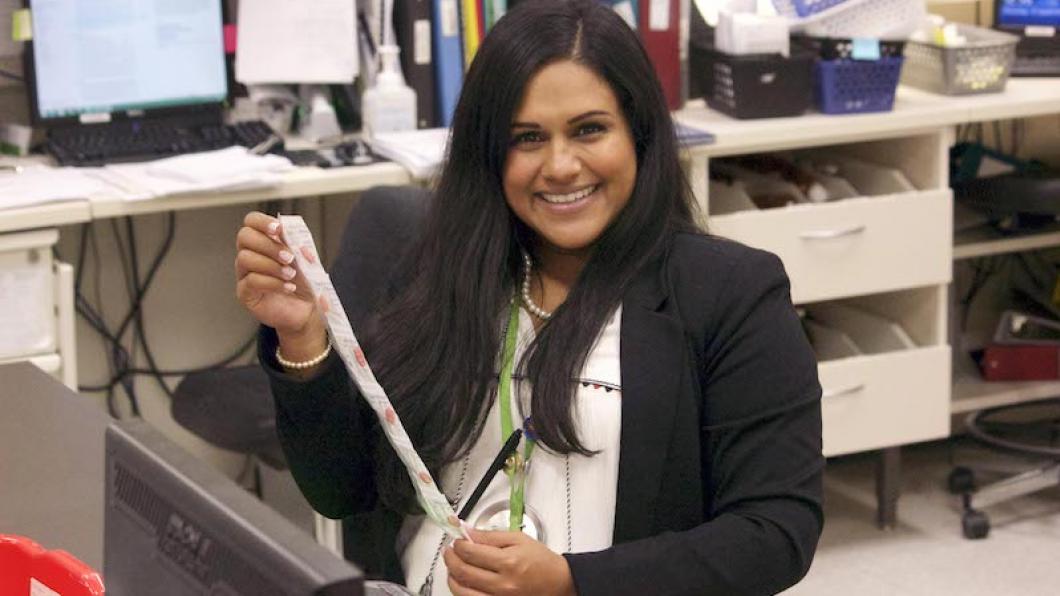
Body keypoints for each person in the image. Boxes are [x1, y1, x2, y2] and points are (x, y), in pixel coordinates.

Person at [234, 1, 823, 594]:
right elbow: (344, 489)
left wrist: (573, 583)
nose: (560, 165)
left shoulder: (731, 293)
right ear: (489, 152)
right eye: (527, 138)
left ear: (639, 135)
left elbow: (775, 532)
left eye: (590, 129)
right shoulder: (437, 268)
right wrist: (303, 337)